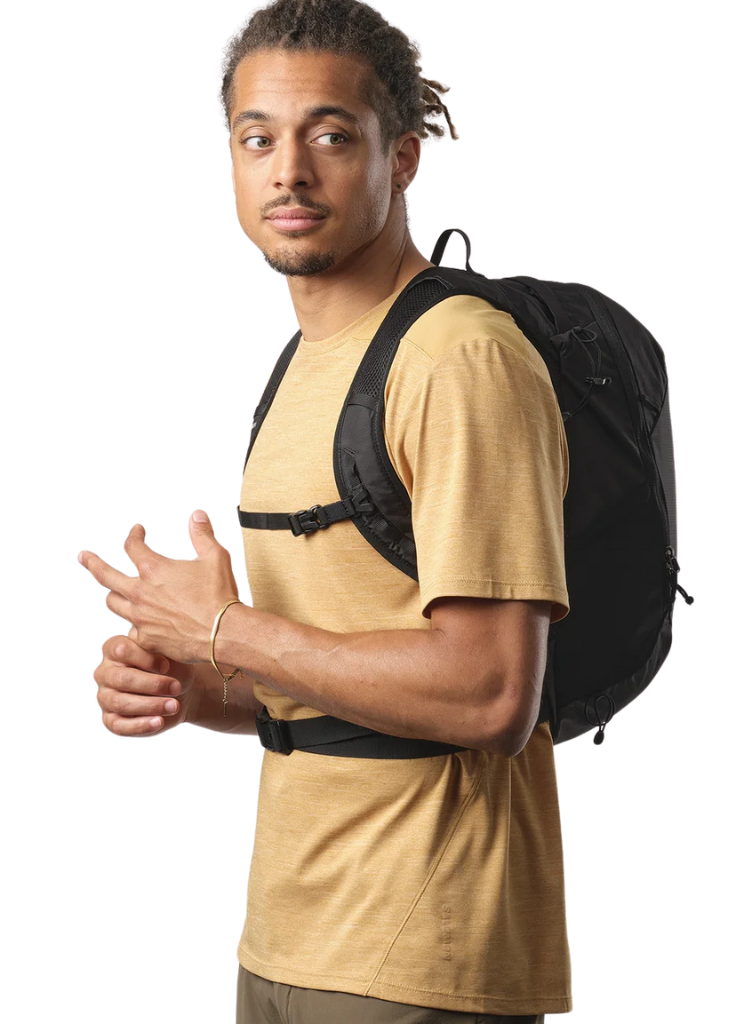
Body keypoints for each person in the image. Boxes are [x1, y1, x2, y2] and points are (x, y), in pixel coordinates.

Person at [78, 1, 573, 1021]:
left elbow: (490, 693)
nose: (289, 173)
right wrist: (194, 681)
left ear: (403, 157)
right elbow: (325, 677)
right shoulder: (310, 363)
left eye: (332, 136)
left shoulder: (457, 360)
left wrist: (228, 630)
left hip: (426, 943)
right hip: (289, 932)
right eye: (257, 139)